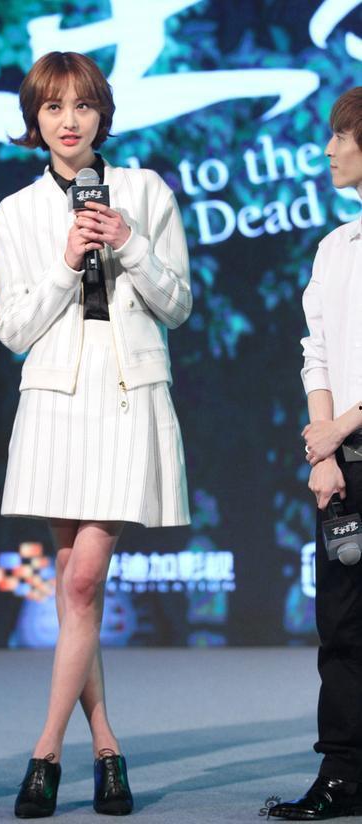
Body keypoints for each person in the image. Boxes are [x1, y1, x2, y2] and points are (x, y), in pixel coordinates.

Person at [0, 50, 191, 818]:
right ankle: (107, 750)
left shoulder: (146, 191)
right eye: (53, 108)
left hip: (126, 395)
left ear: (103, 112)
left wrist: (130, 243)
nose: (69, 121)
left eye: (82, 105)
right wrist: (65, 263)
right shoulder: (15, 214)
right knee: (77, 588)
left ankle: (44, 754)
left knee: (80, 583)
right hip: (55, 402)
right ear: (34, 120)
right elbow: (14, 329)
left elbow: (178, 305)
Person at [269, 87, 362, 820]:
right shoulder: (335, 248)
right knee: (342, 626)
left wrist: (344, 427)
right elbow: (318, 353)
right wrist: (324, 447)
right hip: (345, 463)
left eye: (341, 135)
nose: (328, 149)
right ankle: (343, 774)